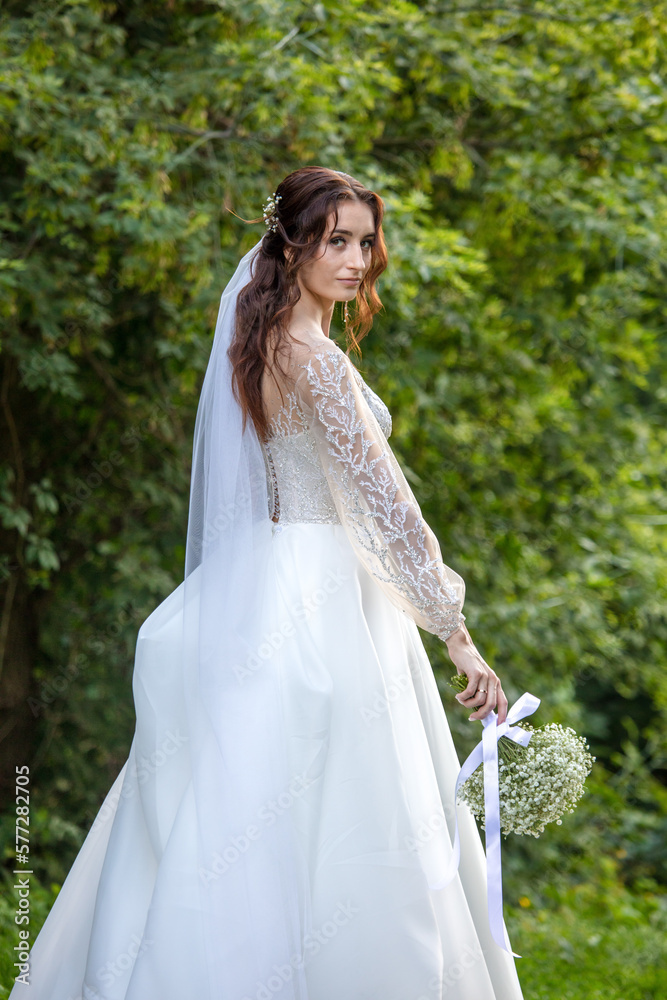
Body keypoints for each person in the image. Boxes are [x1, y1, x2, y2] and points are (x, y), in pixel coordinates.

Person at [10, 166, 523, 1000]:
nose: (356, 259)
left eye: (364, 241)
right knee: (346, 809)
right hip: (326, 602)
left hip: (265, 584)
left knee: (245, 806)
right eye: (335, 241)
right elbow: (388, 508)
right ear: (292, 245)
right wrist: (454, 635)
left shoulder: (262, 342)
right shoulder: (312, 357)